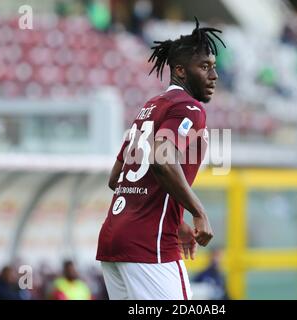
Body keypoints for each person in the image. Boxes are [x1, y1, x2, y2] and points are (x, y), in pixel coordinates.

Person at [96, 17, 225, 300]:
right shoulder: (188, 107)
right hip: (148, 246)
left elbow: (116, 179)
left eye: (214, 67)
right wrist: (198, 212)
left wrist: (176, 222)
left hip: (113, 241)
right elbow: (161, 161)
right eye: (204, 67)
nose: (213, 75)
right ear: (180, 70)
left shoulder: (151, 107)